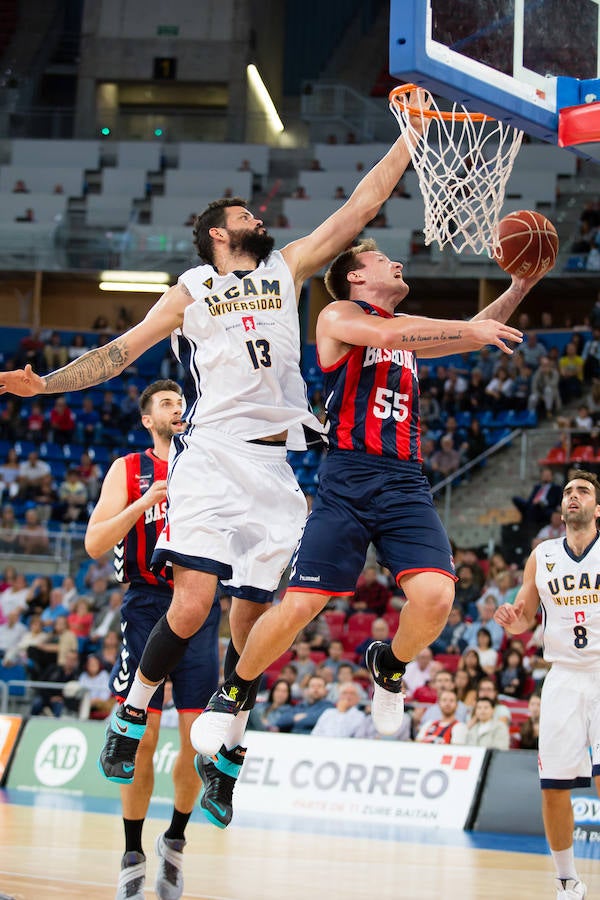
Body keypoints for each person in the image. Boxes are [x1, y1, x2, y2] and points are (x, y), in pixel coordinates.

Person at [0, 91, 440, 800]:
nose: (258, 220)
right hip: (210, 453)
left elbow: (360, 208)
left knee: (258, 622)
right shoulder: (189, 289)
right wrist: (44, 385)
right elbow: (118, 354)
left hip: (275, 464)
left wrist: (410, 141)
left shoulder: (286, 268)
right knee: (190, 603)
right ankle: (132, 709)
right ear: (215, 234)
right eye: (245, 218)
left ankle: (227, 751)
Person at [192, 234, 543, 759]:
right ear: (356, 275)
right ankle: (234, 691)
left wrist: (520, 285)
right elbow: (396, 330)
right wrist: (469, 326)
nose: (396, 262)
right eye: (382, 259)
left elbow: (470, 338)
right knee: (303, 603)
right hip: (349, 478)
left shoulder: (405, 334)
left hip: (406, 480)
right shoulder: (338, 316)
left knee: (437, 598)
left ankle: (391, 664)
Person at [83, 379, 221, 899]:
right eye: (167, 403)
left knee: (197, 742)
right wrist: (143, 502)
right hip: (146, 606)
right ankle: (132, 852)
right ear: (148, 420)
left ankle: (175, 844)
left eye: (181, 402)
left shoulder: (207, 464)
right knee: (139, 741)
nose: (177, 408)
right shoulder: (129, 468)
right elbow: (95, 543)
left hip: (200, 607)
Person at [495, 470, 600, 900]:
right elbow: (524, 618)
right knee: (555, 785)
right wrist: (512, 620)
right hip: (562, 677)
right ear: (561, 507)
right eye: (568, 492)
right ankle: (567, 880)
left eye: (583, 491)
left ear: (598, 507)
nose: (573, 496)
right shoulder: (542, 554)